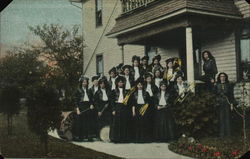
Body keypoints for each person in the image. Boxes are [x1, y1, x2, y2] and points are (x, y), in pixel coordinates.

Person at [73, 75, 98, 141]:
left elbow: (91, 99)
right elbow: (75, 101)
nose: (84, 83)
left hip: (88, 106)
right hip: (81, 106)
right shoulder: (78, 90)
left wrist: (92, 104)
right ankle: (81, 137)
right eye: (83, 82)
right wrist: (77, 109)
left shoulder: (89, 90)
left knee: (88, 122)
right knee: (81, 122)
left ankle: (89, 136)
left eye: (86, 82)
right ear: (81, 83)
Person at [110, 76, 131, 143]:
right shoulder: (114, 91)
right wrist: (113, 109)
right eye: (119, 82)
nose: (120, 83)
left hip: (124, 107)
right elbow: (112, 101)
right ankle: (116, 138)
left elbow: (129, 101)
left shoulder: (126, 91)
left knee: (124, 122)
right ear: (117, 83)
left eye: (122, 82)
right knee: (116, 123)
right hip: (117, 106)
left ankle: (124, 138)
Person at [214, 72, 235, 137]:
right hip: (219, 103)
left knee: (227, 117)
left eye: (223, 76)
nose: (222, 78)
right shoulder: (216, 85)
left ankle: (228, 134)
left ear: (225, 77)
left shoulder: (228, 85)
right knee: (220, 118)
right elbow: (214, 94)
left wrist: (231, 104)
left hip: (227, 102)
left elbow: (231, 95)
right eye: (221, 76)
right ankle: (221, 134)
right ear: (219, 78)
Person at [131, 78, 152, 142]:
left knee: (144, 124)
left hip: (144, 109)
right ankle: (138, 139)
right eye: (138, 85)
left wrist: (145, 108)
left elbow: (149, 102)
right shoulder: (134, 94)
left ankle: (144, 139)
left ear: (142, 86)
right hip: (137, 109)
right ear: (137, 86)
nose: (140, 86)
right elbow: (133, 104)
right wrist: (133, 112)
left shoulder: (146, 93)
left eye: (141, 85)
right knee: (137, 124)